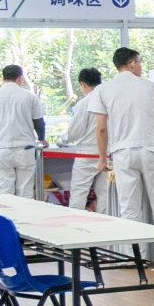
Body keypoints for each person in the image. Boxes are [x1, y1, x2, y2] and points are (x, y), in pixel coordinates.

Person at [95, 46, 154, 251]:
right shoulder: (150, 86)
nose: (140, 66)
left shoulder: (103, 89)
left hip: (123, 151)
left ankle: (137, 255)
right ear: (132, 63)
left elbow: (102, 128)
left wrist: (102, 158)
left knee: (130, 207)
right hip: (151, 147)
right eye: (139, 62)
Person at [0, 64, 45, 197]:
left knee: (4, 193)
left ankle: (7, 211)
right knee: (25, 191)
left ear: (3, 78)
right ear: (20, 78)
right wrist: (42, 139)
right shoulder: (30, 97)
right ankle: (25, 211)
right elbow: (39, 122)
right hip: (25, 149)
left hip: (1, 149)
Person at [60, 68, 106, 211]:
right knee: (105, 194)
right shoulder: (109, 101)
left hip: (87, 153)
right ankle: (106, 222)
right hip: (108, 152)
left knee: (79, 192)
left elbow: (74, 132)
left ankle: (76, 222)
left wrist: (62, 141)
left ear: (83, 84)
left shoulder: (84, 103)